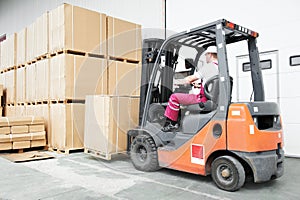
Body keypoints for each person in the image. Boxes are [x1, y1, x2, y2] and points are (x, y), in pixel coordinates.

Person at [162, 46, 219, 132]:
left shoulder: (208, 67)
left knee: (174, 97)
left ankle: (173, 124)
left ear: (210, 55)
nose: (205, 57)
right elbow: (210, 84)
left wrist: (179, 82)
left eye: (206, 55)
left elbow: (190, 79)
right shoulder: (219, 68)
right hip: (212, 99)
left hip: (202, 99)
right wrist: (197, 84)